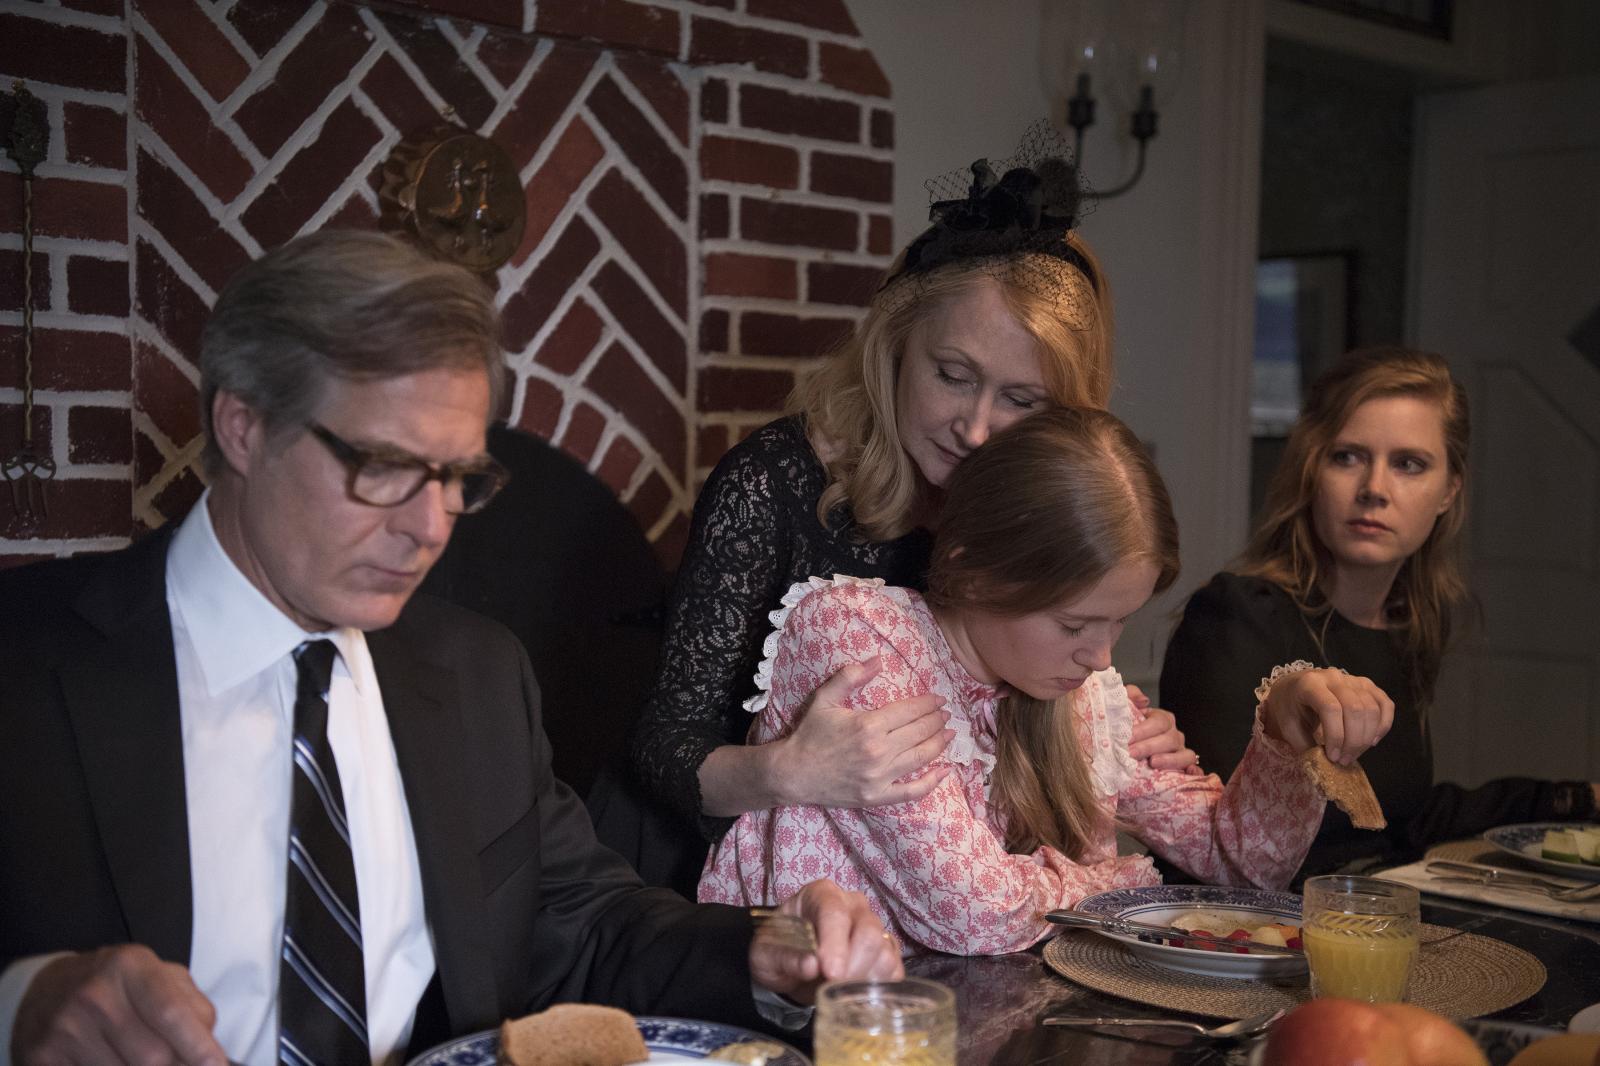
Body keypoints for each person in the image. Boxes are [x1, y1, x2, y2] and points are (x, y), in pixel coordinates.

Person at [0, 230, 901, 1066]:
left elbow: (587, 924)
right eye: (385, 466)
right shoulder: (24, 662)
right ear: (244, 426)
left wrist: (766, 950)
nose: (430, 527)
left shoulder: (476, 670)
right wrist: (17, 1008)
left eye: (458, 477)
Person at [624, 133, 1196, 890]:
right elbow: (663, 750)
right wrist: (786, 771)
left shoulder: (1040, 513)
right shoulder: (773, 482)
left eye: (1022, 400)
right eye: (953, 375)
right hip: (730, 883)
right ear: (895, 345)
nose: (977, 428)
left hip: (948, 896)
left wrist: (1111, 730)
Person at [698, 408, 1393, 955]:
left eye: (1119, 622)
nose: (1100, 656)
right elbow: (971, 912)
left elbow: (1242, 866)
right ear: (972, 570)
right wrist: (1121, 884)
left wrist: (1285, 730)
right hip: (822, 1020)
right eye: (1073, 624)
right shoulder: (860, 636)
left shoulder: (1081, 692)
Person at [1160, 347, 1599, 879]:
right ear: (1311, 471)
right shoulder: (1236, 615)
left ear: (1448, 492)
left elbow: (1401, 813)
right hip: (1248, 922)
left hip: (1370, 908)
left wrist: (1576, 798)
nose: (1374, 489)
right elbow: (1216, 846)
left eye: (1409, 464)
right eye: (1347, 457)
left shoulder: (1408, 624)